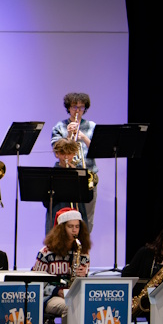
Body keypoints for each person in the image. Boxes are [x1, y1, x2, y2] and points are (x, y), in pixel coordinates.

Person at [31, 207, 91, 324]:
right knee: (69, 307)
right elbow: (36, 281)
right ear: (61, 229)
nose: (74, 230)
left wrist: (83, 275)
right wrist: (56, 290)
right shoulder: (46, 252)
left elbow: (82, 284)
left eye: (77, 226)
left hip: (73, 293)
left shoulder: (82, 252)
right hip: (50, 297)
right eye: (70, 226)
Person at [51, 92, 97, 229]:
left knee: (87, 218)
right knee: (65, 216)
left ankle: (83, 247)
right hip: (67, 176)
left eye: (81, 107)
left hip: (87, 175)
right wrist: (69, 135)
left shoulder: (91, 126)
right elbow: (57, 151)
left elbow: (96, 150)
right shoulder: (59, 126)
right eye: (74, 107)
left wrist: (83, 137)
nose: (77, 111)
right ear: (69, 108)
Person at [122, 223, 163, 310]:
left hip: (162, 302)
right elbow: (126, 274)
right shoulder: (145, 253)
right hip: (141, 300)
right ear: (162, 238)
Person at [45, 138, 92, 233]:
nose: (66, 157)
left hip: (78, 219)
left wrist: (77, 176)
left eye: (70, 153)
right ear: (57, 154)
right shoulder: (50, 174)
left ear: (74, 154)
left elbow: (89, 197)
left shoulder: (80, 172)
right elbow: (46, 203)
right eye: (63, 153)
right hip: (57, 218)